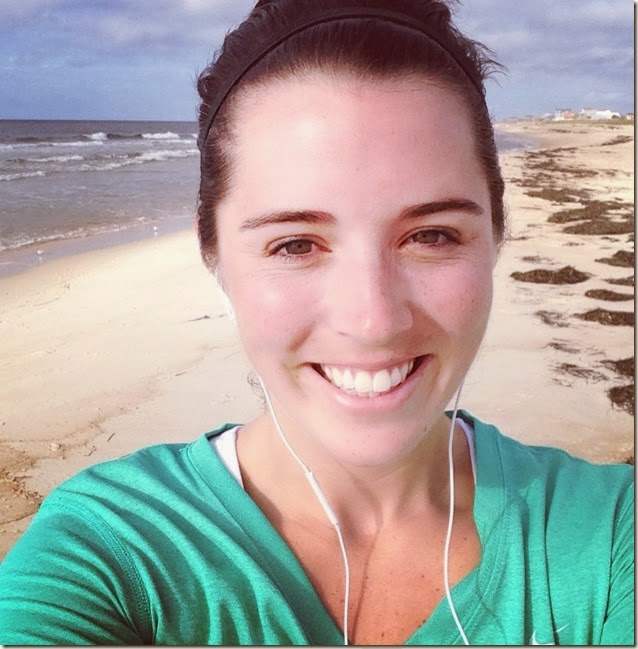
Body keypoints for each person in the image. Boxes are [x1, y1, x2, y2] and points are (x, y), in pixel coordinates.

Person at [0, 0, 633, 645]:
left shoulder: (611, 531)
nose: (374, 320)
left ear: (496, 235)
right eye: (295, 245)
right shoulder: (109, 550)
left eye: (432, 235)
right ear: (212, 254)